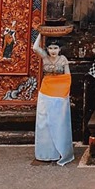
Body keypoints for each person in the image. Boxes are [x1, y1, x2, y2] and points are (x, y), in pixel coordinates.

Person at [31, 34, 73, 166]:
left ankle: (57, 152)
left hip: (60, 93)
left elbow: (68, 77)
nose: (53, 51)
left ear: (60, 49)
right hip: (46, 91)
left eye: (55, 48)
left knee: (58, 122)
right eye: (50, 48)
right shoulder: (45, 57)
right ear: (47, 49)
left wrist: (65, 93)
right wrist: (41, 33)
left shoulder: (63, 59)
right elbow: (35, 47)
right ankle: (44, 153)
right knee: (44, 121)